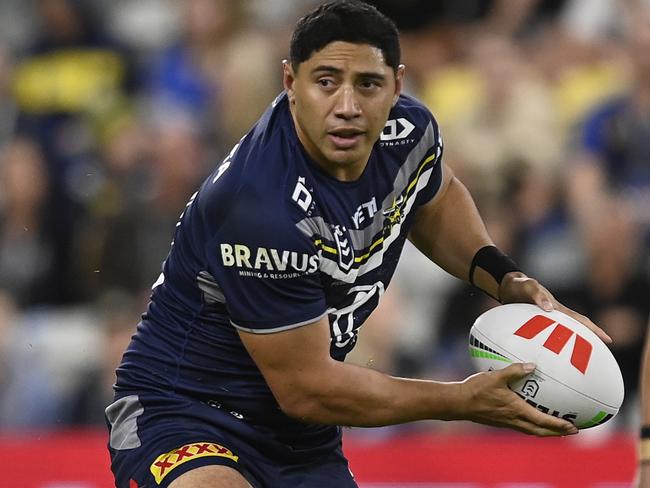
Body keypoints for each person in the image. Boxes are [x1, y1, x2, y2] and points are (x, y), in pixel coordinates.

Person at [105, 2, 610, 487]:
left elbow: (435, 196)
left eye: (368, 84)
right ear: (290, 82)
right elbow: (308, 389)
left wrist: (504, 278)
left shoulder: (409, 133)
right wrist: (460, 400)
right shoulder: (258, 206)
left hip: (297, 436)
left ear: (397, 86)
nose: (347, 106)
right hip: (184, 410)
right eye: (326, 82)